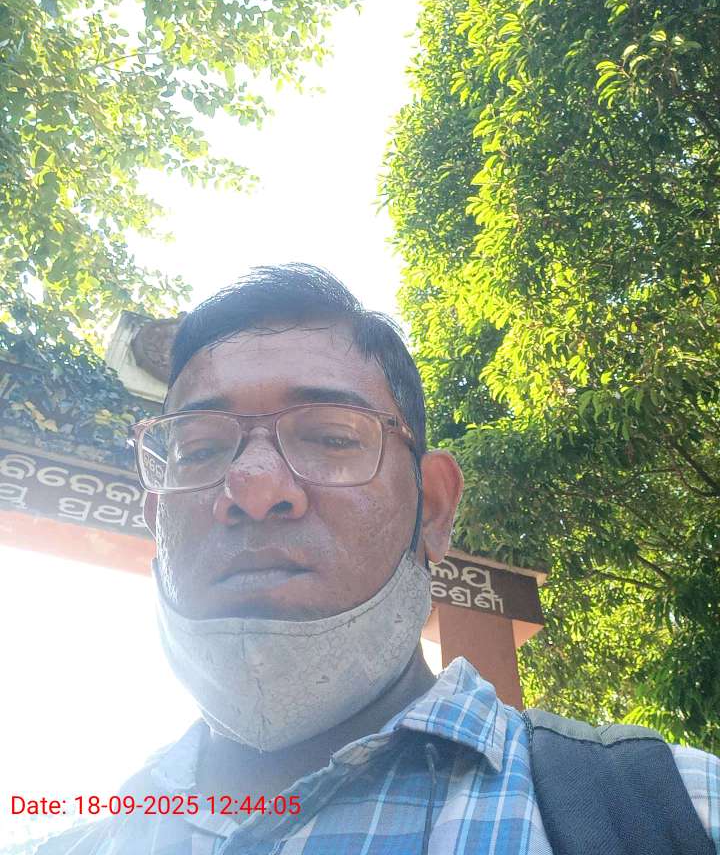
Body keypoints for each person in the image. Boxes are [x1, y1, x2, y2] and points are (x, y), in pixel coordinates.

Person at [37, 264, 719, 855]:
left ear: (433, 508)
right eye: (200, 450)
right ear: (156, 516)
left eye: (331, 437)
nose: (252, 488)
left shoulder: (678, 811)